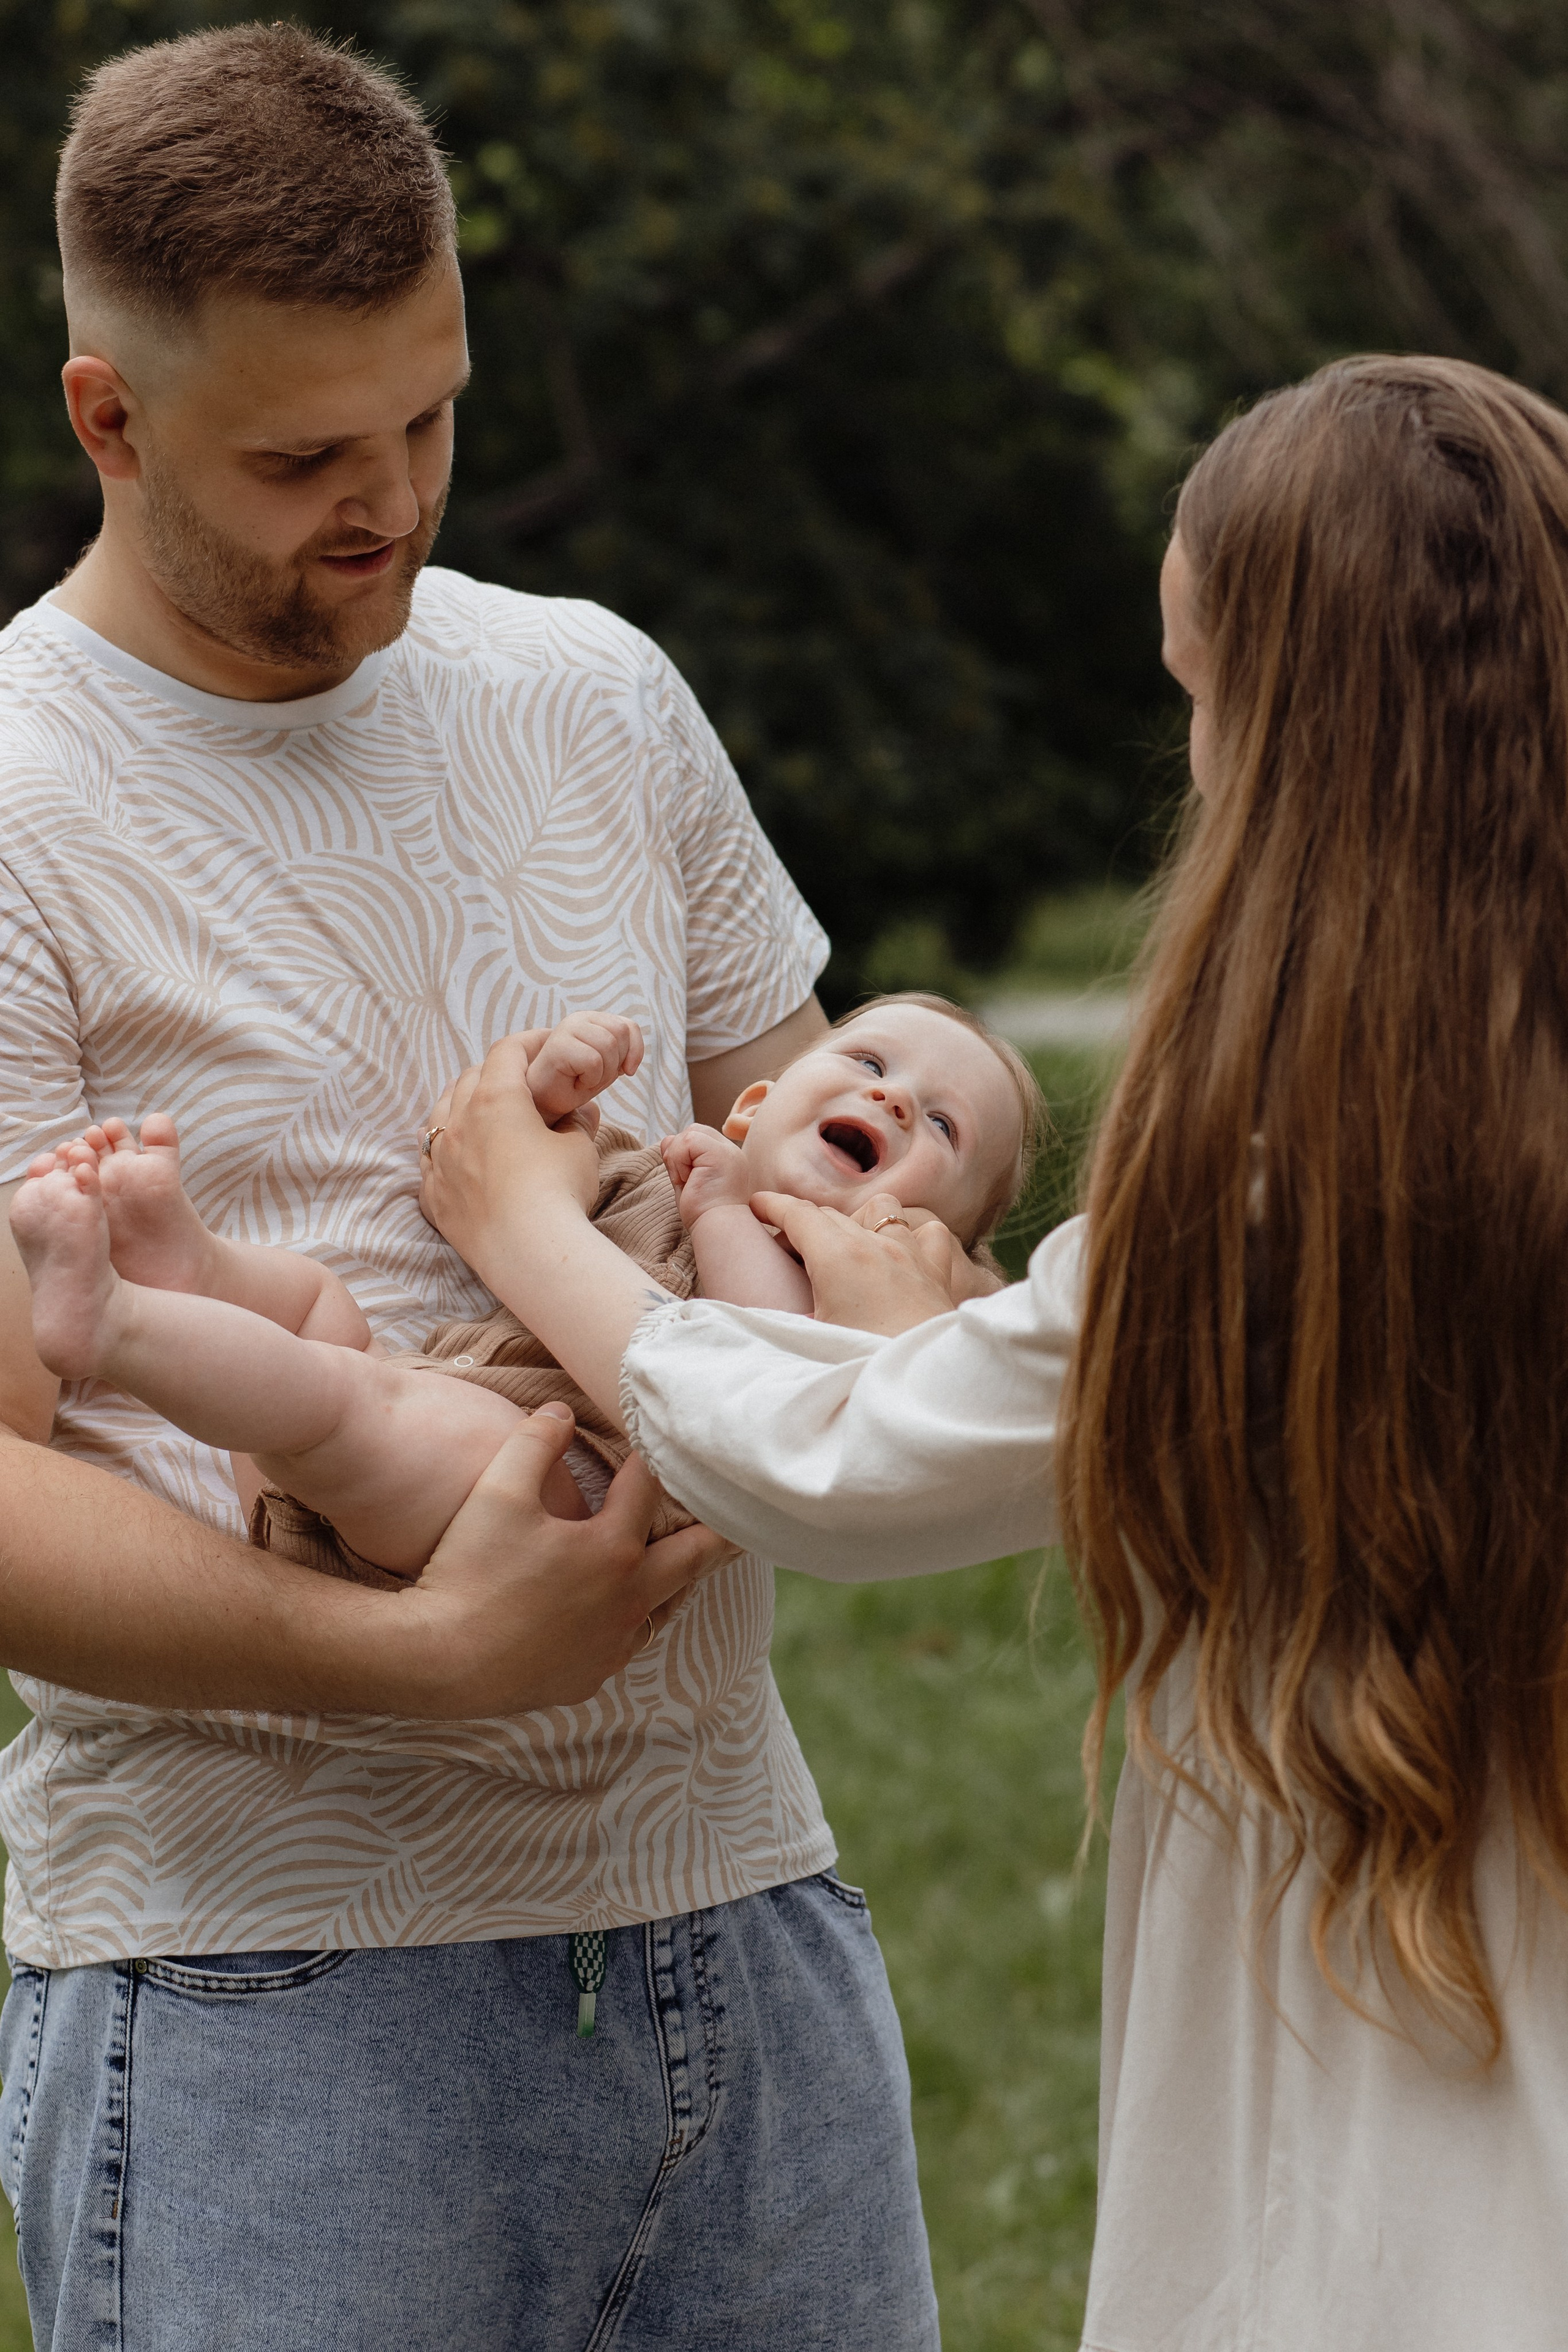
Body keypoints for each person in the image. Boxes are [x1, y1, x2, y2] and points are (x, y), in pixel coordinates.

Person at [420, 354, 1568, 2351]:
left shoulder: (1280, 1204)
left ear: (1295, 745)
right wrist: (1008, 1344)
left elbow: (831, 1467)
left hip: (1399, 2184)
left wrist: (521, 1227)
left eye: (1199, 698)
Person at [0, 25, 943, 2351]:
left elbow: (847, 1150)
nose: (395, 498)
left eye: (431, 416)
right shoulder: (17, 795)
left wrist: (903, 1257)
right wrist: (416, 1655)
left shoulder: (600, 691)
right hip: (269, 2011)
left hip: (747, 1928)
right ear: (107, 417)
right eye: (306, 452)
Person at [9, 994, 1040, 1580]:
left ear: (928, 1239)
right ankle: (193, 1272)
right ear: (754, 1107)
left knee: (342, 1400)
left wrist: (728, 1212)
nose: (891, 1097)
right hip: (443, 1410)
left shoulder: (844, 1307)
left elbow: (755, 1388)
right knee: (317, 1316)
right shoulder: (660, 1171)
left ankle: (119, 1325)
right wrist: (559, 1081)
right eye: (867, 1059)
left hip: (542, 1501)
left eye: (944, 1127)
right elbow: (521, 1164)